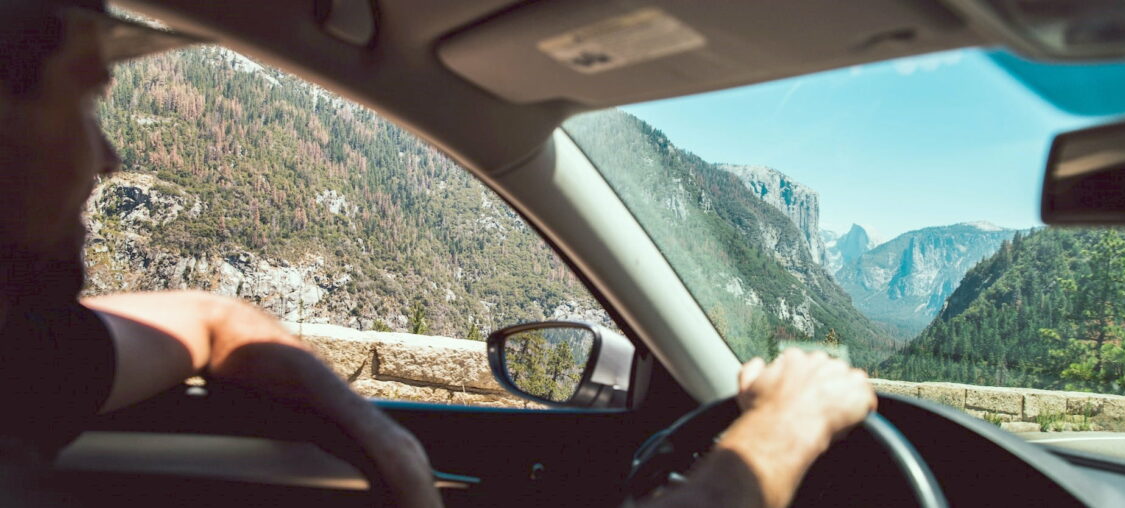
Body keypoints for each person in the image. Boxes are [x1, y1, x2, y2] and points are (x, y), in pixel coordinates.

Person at [0, 1, 876, 507]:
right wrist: (786, 426)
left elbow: (214, 318)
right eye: (84, 97)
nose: (107, 155)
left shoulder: (27, 361)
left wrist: (390, 446)